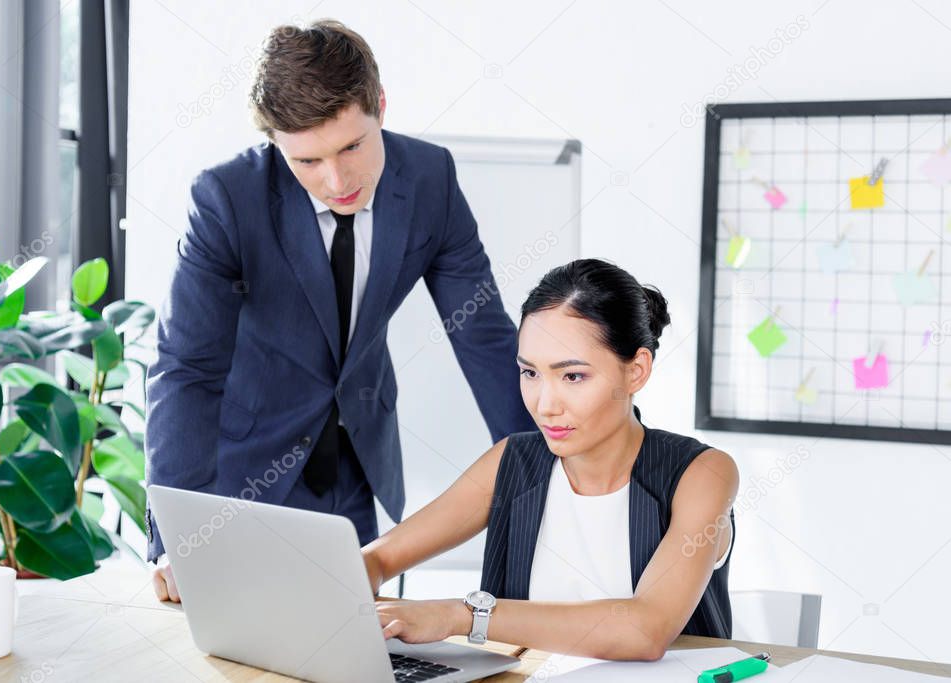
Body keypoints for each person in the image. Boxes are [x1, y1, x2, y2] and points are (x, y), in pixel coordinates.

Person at [147, 20, 533, 601]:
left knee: (362, 646)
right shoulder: (227, 199)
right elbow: (187, 369)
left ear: (380, 105)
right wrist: (181, 537)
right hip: (241, 477)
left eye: (352, 145)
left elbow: (481, 334)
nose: (337, 180)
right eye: (307, 161)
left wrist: (549, 475)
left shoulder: (430, 180)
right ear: (277, 143)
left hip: (358, 463)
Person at [362, 259, 739, 660]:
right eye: (530, 373)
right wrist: (354, 578)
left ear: (636, 371)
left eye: (572, 376)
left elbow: (644, 630)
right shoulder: (512, 461)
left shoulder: (702, 474)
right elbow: (381, 557)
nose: (544, 405)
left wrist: (464, 615)